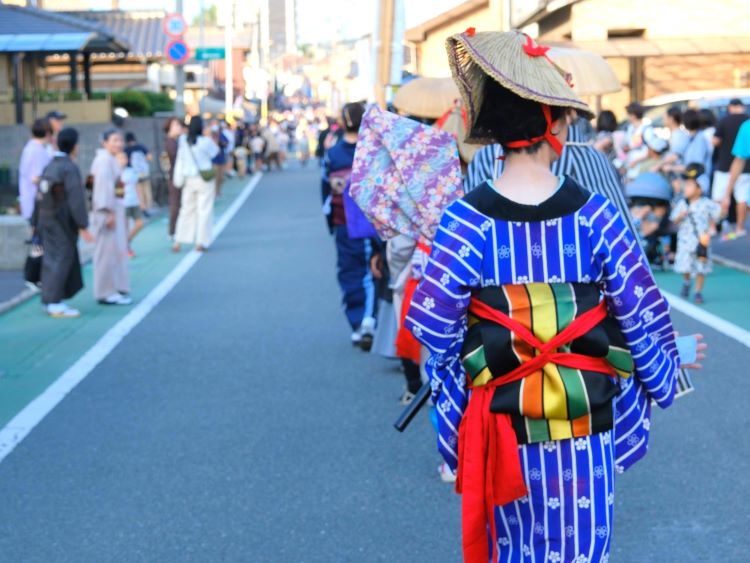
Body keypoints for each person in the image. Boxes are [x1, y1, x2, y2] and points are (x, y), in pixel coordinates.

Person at [406, 30, 688, 563]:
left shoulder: (463, 220)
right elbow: (639, 312)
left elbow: (437, 331)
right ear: (556, 122)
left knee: (512, 546)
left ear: (493, 129)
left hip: (500, 420)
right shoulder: (596, 215)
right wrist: (665, 369)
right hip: (584, 422)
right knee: (583, 546)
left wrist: (457, 396)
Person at [322, 102, 376, 348]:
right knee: (372, 270)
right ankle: (369, 319)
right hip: (373, 221)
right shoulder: (373, 149)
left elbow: (325, 192)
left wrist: (330, 222)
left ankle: (359, 322)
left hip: (343, 220)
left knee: (349, 272)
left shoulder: (333, 154)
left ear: (342, 123)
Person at [35, 127, 93, 317]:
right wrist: (83, 224)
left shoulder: (51, 164)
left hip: (47, 217)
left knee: (51, 259)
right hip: (62, 220)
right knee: (62, 258)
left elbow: (41, 194)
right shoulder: (68, 167)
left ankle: (49, 299)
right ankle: (54, 301)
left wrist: (35, 221)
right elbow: (76, 199)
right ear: (74, 145)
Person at [90, 129, 132, 306]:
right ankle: (106, 292)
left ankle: (115, 287)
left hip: (114, 209)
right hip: (107, 212)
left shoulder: (110, 160)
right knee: (106, 253)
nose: (119, 144)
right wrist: (108, 212)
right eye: (114, 140)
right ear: (104, 142)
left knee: (114, 252)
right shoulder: (104, 161)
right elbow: (101, 189)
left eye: (120, 140)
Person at [670, 163, 721, 304]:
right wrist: (680, 215)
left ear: (699, 189)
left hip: (701, 240)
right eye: (685, 185)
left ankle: (698, 291)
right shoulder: (682, 203)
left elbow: (718, 214)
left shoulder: (707, 203)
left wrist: (712, 227)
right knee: (685, 266)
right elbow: (673, 219)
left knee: (701, 267)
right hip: (685, 241)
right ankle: (686, 282)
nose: (686, 188)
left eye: (690, 185)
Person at [172, 115, 220, 253]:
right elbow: (215, 153)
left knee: (186, 210)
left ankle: (179, 241)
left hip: (188, 180)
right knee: (204, 210)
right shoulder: (205, 141)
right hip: (204, 179)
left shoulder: (183, 140)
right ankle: (201, 242)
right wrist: (210, 135)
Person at [712, 98, 750, 239]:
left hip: (725, 166)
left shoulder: (739, 124)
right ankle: (739, 227)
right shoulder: (746, 124)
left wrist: (728, 193)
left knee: (719, 197)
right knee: (742, 199)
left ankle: (714, 227)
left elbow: (715, 141)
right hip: (745, 170)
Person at [18, 118, 53, 220]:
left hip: (31, 203)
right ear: (48, 133)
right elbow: (35, 178)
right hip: (37, 204)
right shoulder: (37, 150)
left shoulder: (30, 148)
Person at [163, 117, 185, 240]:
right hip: (173, 176)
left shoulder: (175, 141)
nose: (178, 127)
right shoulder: (170, 142)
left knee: (178, 204)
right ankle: (172, 231)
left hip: (176, 175)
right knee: (175, 204)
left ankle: (176, 230)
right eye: (176, 125)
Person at [124, 132, 153, 215]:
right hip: (144, 173)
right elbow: (150, 157)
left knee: (139, 193)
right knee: (147, 191)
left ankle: (143, 209)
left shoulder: (126, 149)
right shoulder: (141, 147)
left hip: (133, 174)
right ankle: (147, 208)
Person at [120, 160, 144, 258]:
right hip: (123, 204)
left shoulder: (131, 171)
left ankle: (125, 242)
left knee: (139, 224)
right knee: (124, 228)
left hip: (134, 202)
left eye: (124, 157)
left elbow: (137, 186)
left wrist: (142, 200)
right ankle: (126, 248)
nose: (123, 160)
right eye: (120, 158)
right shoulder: (115, 171)